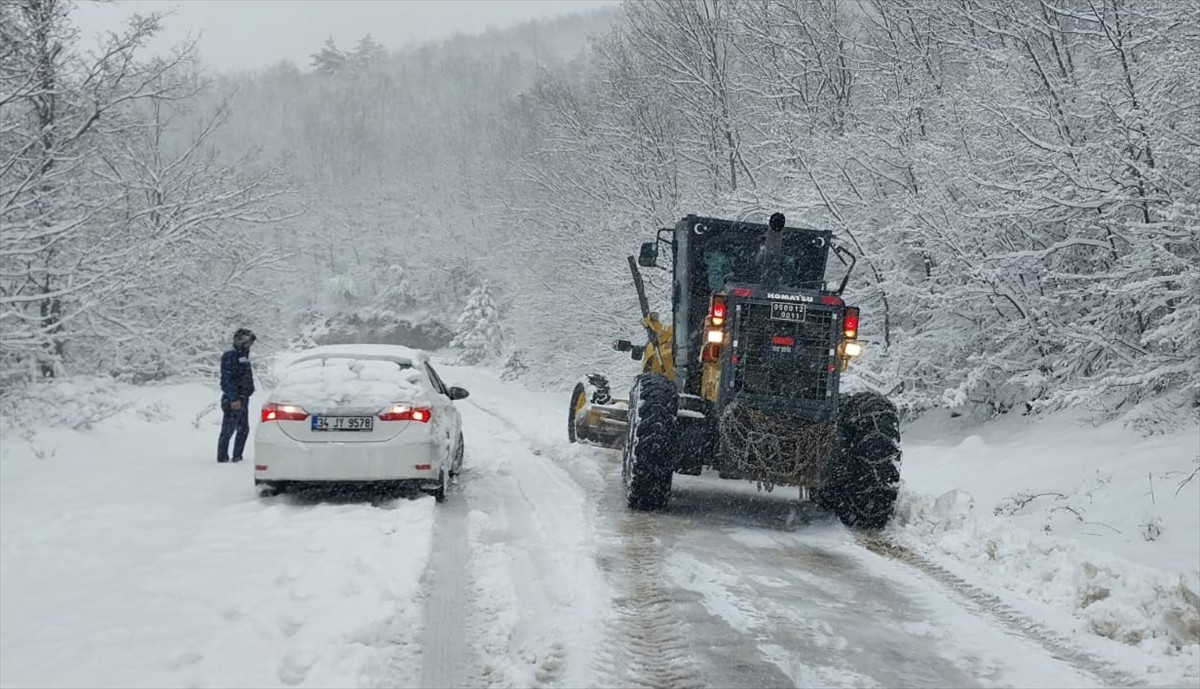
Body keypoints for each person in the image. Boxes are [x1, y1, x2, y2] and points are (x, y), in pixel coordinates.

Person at [217, 328, 256, 463]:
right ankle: (223, 457)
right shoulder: (231, 355)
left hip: (242, 398)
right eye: (249, 342)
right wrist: (233, 398)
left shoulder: (243, 355)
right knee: (229, 429)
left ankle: (237, 456)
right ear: (241, 341)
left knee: (242, 429)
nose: (251, 345)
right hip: (233, 400)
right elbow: (226, 379)